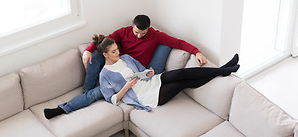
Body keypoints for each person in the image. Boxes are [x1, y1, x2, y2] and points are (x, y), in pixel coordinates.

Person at [44, 15, 209, 119]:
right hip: (117, 66)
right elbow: (104, 42)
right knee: (94, 62)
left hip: (133, 73)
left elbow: (178, 42)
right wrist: (87, 51)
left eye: (142, 34)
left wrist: (197, 52)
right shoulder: (123, 32)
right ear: (132, 25)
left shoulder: (155, 36)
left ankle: (63, 108)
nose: (138, 36)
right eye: (136, 32)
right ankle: (74, 99)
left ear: (148, 29)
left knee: (95, 94)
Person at [97, 36, 239, 110]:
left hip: (151, 82)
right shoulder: (104, 75)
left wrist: (148, 73)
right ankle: (224, 71)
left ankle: (223, 69)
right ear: (105, 55)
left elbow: (141, 71)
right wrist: (126, 87)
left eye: (117, 50)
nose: (118, 53)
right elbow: (112, 100)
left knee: (180, 74)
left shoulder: (125, 58)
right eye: (114, 52)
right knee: (183, 83)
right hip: (146, 97)